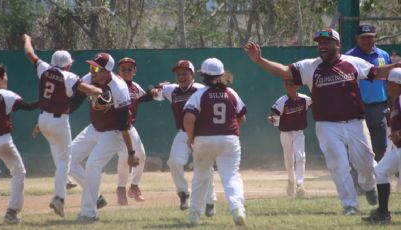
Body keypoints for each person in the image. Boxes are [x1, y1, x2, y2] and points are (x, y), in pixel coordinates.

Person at [244, 28, 401, 215]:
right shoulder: (310, 66)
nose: (322, 45)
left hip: (355, 123)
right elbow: (285, 71)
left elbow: (376, 73)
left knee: (366, 164)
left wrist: (395, 66)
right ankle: (349, 205)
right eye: (320, 43)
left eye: (327, 42)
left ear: (338, 44)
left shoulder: (352, 63)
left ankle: (368, 186)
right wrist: (259, 60)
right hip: (327, 125)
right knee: (338, 165)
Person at [22, 34, 102, 218]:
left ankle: (92, 195)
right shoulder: (69, 75)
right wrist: (99, 91)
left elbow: (29, 53)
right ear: (68, 64)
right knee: (64, 162)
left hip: (43, 120)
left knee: (60, 158)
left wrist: (27, 39)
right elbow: (86, 89)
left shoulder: (43, 69)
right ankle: (59, 198)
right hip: (59, 121)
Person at [68, 53, 139, 222]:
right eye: (91, 66)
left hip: (113, 133)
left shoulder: (119, 89)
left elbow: (124, 125)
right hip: (94, 128)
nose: (91, 71)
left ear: (107, 71)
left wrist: (130, 152)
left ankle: (89, 213)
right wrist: (53, 115)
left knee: (93, 165)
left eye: (96, 68)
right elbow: (75, 102)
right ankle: (96, 196)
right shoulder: (89, 78)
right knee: (68, 159)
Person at [183, 58, 247, 226]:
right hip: (229, 138)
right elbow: (242, 118)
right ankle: (237, 209)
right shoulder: (231, 93)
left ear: (204, 76)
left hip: (204, 139)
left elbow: (189, 118)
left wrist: (190, 137)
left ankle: (194, 215)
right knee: (231, 176)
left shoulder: (199, 94)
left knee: (200, 177)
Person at [151, 60, 217, 215]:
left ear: (193, 74)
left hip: (202, 133)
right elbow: (157, 93)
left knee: (205, 168)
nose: (181, 76)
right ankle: (183, 193)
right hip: (183, 132)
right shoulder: (172, 90)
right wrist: (155, 90)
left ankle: (210, 202)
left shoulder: (201, 90)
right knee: (174, 162)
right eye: (178, 74)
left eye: (185, 73)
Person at [0, 63, 38, 227]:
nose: (6, 79)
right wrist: (44, 101)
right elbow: (27, 107)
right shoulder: (6, 95)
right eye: (4, 76)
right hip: (4, 139)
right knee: (19, 172)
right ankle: (12, 212)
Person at [345, 23, 392, 162]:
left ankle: (379, 179)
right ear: (357, 38)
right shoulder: (348, 57)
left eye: (370, 37)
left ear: (375, 38)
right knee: (360, 147)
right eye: (363, 37)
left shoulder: (383, 55)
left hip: (380, 107)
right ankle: (360, 181)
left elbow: (389, 82)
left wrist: (391, 106)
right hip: (358, 108)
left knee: (380, 146)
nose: (367, 40)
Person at [362, 68, 401, 223]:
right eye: (387, 84)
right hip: (398, 148)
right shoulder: (396, 100)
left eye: (392, 84)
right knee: (380, 171)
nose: (388, 87)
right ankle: (383, 213)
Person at [115, 57, 152, 205]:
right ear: (118, 71)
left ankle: (134, 186)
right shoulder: (115, 85)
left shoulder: (135, 87)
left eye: (129, 68)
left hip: (130, 127)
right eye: (123, 68)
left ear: (134, 71)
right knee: (125, 157)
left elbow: (144, 98)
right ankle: (121, 190)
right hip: (116, 129)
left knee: (141, 155)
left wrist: (153, 91)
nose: (126, 71)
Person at [268, 80, 311, 197]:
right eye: (287, 85)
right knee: (289, 160)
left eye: (291, 84)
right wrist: (272, 119)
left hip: (298, 132)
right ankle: (291, 180)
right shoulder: (282, 101)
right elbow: (274, 115)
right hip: (285, 133)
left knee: (300, 156)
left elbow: (316, 106)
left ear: (296, 86)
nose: (289, 87)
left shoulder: (304, 99)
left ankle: (300, 184)